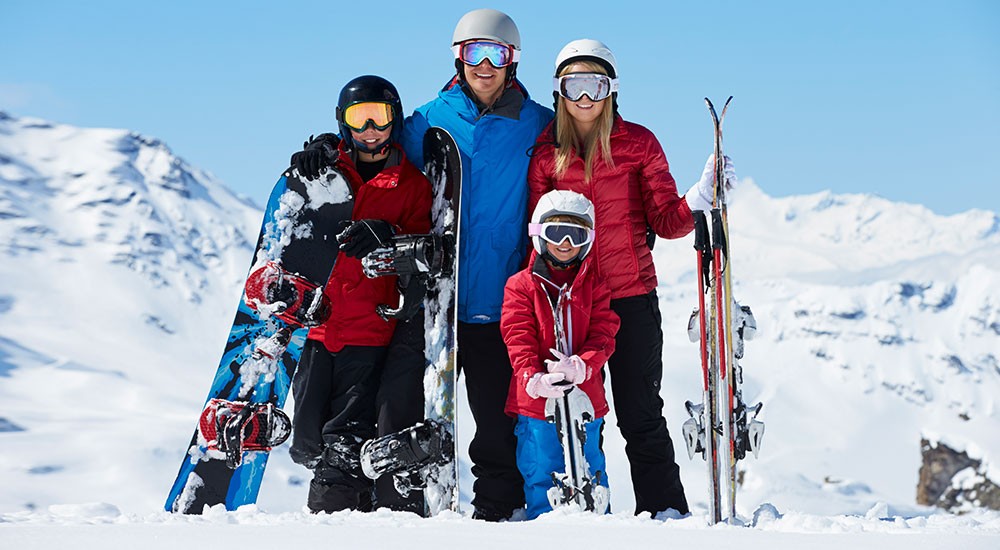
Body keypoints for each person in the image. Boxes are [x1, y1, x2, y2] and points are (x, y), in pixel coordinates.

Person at [526, 39, 738, 518]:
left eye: (594, 85)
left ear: (611, 90)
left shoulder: (638, 144)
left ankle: (665, 513)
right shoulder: (545, 157)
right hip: (570, 306)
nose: (584, 98)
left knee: (641, 415)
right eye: (573, 85)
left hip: (630, 301)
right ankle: (580, 513)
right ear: (559, 91)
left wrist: (698, 199)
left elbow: (666, 220)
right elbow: (534, 238)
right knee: (576, 414)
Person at [400, 8, 554, 521]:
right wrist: (333, 152)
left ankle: (498, 518)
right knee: (417, 419)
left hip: (500, 302)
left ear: (512, 62)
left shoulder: (537, 124)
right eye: (473, 53)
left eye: (497, 55)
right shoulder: (425, 121)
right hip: (434, 306)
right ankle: (409, 514)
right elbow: (378, 167)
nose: (484, 65)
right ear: (457, 58)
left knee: (496, 425)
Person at [285, 75, 432, 514]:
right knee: (309, 440)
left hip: (369, 332)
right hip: (316, 331)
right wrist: (308, 164)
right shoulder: (325, 173)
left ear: (396, 120)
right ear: (342, 123)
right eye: (358, 118)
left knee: (341, 446)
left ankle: (341, 521)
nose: (371, 130)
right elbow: (295, 229)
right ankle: (360, 502)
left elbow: (423, 249)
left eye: (380, 118)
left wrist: (390, 236)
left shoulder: (410, 185)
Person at [500, 190, 620, 520]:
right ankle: (545, 526)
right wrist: (532, 378)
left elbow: (604, 333)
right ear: (539, 234)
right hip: (537, 402)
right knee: (542, 468)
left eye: (576, 234)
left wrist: (584, 365)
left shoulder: (595, 285)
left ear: (588, 240)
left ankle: (599, 528)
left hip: (586, 401)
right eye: (556, 233)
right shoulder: (521, 286)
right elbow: (517, 336)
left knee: (591, 466)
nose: (565, 242)